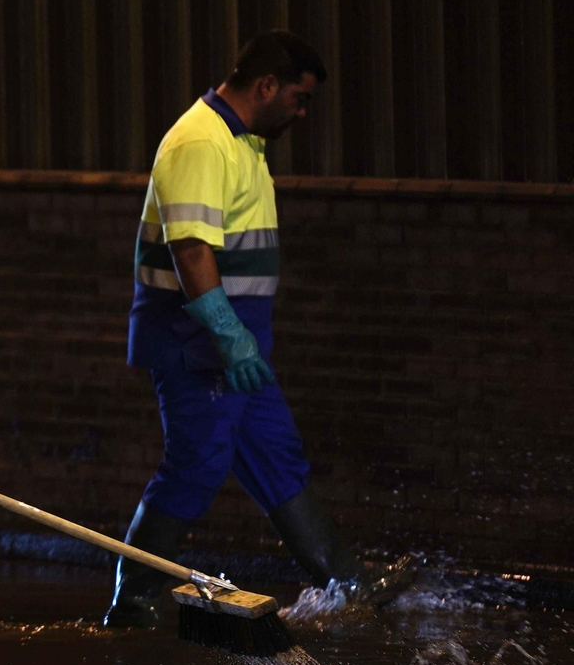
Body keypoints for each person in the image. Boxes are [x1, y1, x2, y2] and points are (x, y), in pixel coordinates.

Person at [105, 31, 410, 628]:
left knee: (275, 457)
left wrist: (239, 337)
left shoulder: (241, 142)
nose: (302, 112)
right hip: (201, 343)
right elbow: (191, 248)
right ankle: (134, 602)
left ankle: (345, 583)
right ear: (267, 85)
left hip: (234, 343)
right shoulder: (201, 141)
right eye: (299, 98)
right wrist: (227, 332)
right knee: (196, 463)